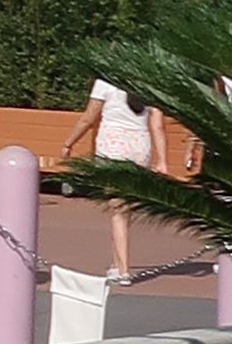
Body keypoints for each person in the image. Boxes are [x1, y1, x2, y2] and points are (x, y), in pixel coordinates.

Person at [59, 64, 162, 287]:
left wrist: (68, 143)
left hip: (113, 147)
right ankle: (117, 264)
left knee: (117, 210)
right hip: (139, 147)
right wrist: (161, 158)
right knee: (124, 210)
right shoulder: (145, 84)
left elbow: (88, 118)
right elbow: (156, 122)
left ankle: (123, 270)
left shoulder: (105, 83)